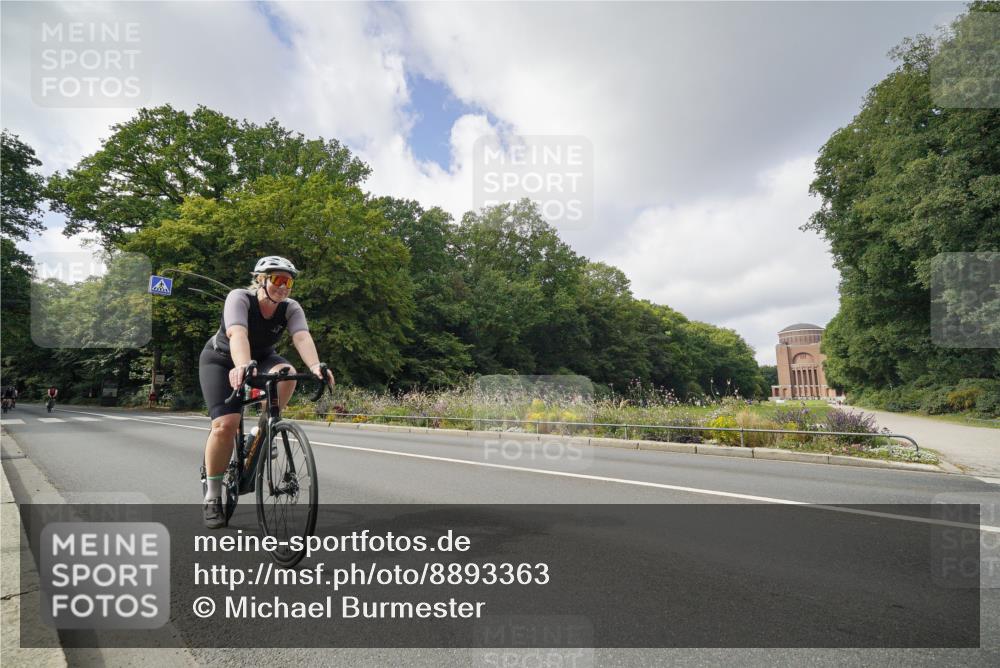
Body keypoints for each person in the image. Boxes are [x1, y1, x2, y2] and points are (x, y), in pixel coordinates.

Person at [198, 256, 334, 529]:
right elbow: (237, 334)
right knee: (225, 425)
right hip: (222, 358)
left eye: (289, 281)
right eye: (278, 279)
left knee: (286, 373)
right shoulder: (239, 298)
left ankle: (262, 430)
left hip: (262, 357)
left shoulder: (290, 308)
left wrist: (316, 366)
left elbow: (301, 337)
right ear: (261, 279)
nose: (284, 286)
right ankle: (213, 496)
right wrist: (241, 365)